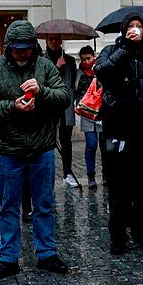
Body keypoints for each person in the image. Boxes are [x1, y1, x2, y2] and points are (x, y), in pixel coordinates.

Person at [0, 20, 70, 281]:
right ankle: (8, 257)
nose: (22, 53)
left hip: (42, 148)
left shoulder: (45, 66)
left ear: (33, 47)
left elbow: (64, 97)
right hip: (8, 150)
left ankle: (47, 253)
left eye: (26, 48)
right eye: (17, 49)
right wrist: (11, 106)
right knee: (8, 206)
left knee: (44, 204)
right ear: (8, 47)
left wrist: (42, 92)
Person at [94, 12, 143, 255]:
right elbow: (101, 71)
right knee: (118, 186)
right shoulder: (112, 52)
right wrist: (125, 48)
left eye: (139, 26)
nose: (135, 29)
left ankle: (140, 231)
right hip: (117, 130)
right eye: (131, 26)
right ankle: (118, 236)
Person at [43, 34, 78, 188]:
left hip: (66, 107)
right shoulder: (42, 61)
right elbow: (42, 81)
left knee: (66, 142)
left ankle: (67, 173)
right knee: (47, 143)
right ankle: (47, 175)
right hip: (49, 106)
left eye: (57, 39)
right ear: (46, 41)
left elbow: (73, 82)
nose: (54, 42)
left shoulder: (69, 60)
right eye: (51, 39)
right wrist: (56, 68)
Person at [74, 45, 102, 189]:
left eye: (88, 58)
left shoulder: (101, 69)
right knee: (91, 144)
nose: (86, 61)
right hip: (87, 113)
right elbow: (76, 90)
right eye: (83, 59)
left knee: (105, 145)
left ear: (93, 57)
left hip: (101, 113)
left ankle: (106, 174)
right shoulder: (78, 73)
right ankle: (90, 175)